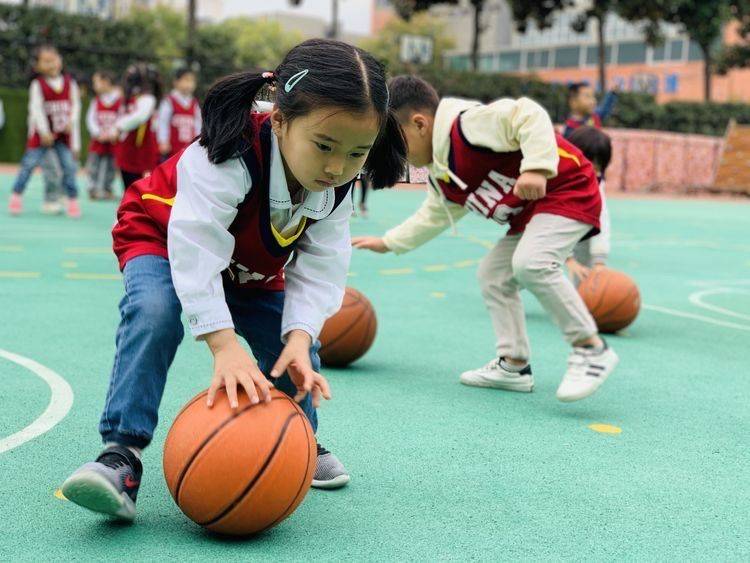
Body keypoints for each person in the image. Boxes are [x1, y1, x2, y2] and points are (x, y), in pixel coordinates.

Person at [60, 39, 407, 522]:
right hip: (163, 238)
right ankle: (121, 456)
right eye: (324, 146)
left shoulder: (338, 185)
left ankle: (298, 438)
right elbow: (195, 248)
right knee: (155, 312)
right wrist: (223, 343)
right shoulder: (228, 153)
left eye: (356, 153)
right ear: (281, 119)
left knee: (293, 350)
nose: (336, 167)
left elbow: (321, 264)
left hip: (247, 266)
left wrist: (302, 333)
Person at [353, 75, 618, 403]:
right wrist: (390, 242)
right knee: (493, 276)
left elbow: (528, 114)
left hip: (568, 190)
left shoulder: (469, 126)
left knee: (531, 264)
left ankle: (591, 348)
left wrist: (536, 168)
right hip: (532, 213)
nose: (396, 155)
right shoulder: (443, 173)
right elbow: (433, 215)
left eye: (395, 143)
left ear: (420, 124)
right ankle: (514, 365)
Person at [8, 45, 81, 218]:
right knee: (29, 165)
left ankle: (72, 200)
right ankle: (16, 195)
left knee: (69, 167)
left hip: (62, 135)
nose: (51, 64)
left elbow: (76, 105)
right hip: (42, 136)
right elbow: (36, 109)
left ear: (60, 61)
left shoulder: (70, 83)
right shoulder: (37, 85)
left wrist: (71, 122)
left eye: (54, 60)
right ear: (38, 66)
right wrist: (44, 132)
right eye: (46, 61)